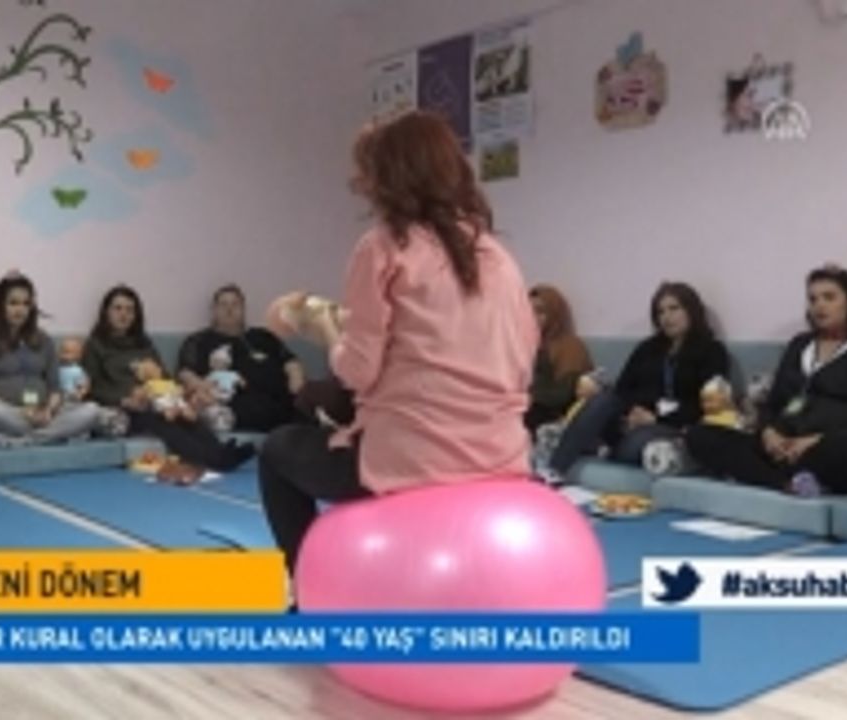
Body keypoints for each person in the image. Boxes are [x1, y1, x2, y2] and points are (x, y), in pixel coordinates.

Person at [258, 110, 539, 575]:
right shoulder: (499, 258)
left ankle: (308, 586)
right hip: (500, 456)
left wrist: (326, 330)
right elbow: (520, 359)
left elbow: (357, 371)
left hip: (413, 460)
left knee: (277, 450)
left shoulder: (382, 247)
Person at [687, 265, 847, 496]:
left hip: (831, 448)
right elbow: (772, 404)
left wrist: (816, 440)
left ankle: (771, 476)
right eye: (813, 299)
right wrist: (769, 433)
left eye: (829, 297)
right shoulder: (799, 345)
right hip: (784, 446)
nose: (819, 305)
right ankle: (787, 483)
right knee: (700, 435)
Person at [546, 282, 730, 475]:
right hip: (634, 418)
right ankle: (555, 469)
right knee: (603, 400)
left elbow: (705, 405)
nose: (666, 317)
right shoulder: (647, 349)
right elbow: (622, 389)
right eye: (660, 312)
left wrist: (654, 418)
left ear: (691, 310)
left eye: (674, 309)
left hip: (675, 424)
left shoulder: (712, 351)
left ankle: (598, 447)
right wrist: (633, 412)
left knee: (633, 444)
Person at [83, 285, 255, 471]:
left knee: (187, 416)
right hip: (128, 406)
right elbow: (93, 387)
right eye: (117, 308)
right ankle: (215, 460)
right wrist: (124, 399)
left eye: (129, 310)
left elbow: (162, 375)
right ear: (106, 312)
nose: (123, 314)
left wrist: (176, 396)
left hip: (155, 398)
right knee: (164, 422)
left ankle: (220, 452)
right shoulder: (96, 345)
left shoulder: (144, 343)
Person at [0, 273, 103, 445]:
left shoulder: (44, 341)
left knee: (92, 411)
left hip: (43, 414)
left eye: (26, 304)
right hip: (8, 413)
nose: (20, 310)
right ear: (0, 306)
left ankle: (22, 441)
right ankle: (48, 437)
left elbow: (55, 388)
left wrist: (48, 411)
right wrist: (21, 413)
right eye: (13, 303)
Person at [177, 284, 304, 432]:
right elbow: (185, 372)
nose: (229, 309)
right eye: (223, 304)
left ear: (243, 309)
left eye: (235, 304)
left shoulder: (263, 336)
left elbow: (290, 361)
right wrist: (205, 390)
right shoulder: (199, 340)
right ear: (214, 310)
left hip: (276, 400)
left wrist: (297, 384)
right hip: (232, 402)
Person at [525, 284, 593, 433]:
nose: (532, 318)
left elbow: (563, 394)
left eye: (540, 311)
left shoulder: (570, 346)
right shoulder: (523, 345)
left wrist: (527, 396)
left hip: (555, 415)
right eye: (528, 311)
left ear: (555, 314)